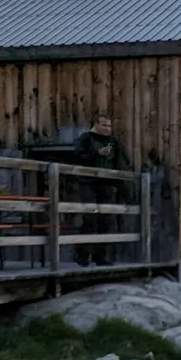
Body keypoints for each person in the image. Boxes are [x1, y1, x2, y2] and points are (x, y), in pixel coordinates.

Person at [73, 113, 131, 265]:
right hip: (88, 182)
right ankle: (82, 256)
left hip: (107, 184)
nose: (107, 128)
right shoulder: (86, 138)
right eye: (104, 125)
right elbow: (77, 156)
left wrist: (122, 181)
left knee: (107, 220)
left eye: (109, 126)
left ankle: (101, 257)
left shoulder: (113, 142)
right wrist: (96, 153)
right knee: (90, 219)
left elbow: (121, 161)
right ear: (96, 125)